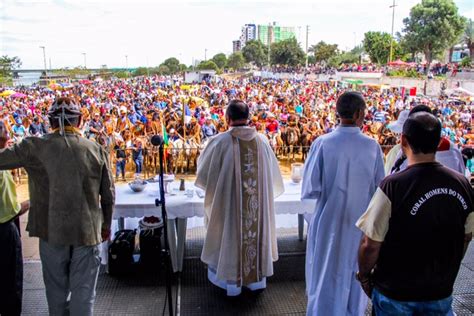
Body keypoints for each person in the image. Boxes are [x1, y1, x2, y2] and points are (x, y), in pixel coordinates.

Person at [0, 97, 115, 316]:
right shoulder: (96, 150)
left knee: (56, 297)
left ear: (50, 121)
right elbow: (108, 195)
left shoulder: (33, 147)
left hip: (51, 233)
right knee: (83, 299)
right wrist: (106, 225)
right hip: (87, 232)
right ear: (80, 120)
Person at [356, 112, 473, 315]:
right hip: (440, 291)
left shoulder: (392, 185)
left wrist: (364, 275)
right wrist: (447, 270)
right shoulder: (462, 184)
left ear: (403, 141)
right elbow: (466, 237)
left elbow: (370, 243)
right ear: (438, 142)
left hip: (395, 292)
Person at [302, 91, 385, 315]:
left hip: (328, 220)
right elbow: (380, 188)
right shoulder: (372, 146)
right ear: (359, 113)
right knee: (354, 268)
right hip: (360, 222)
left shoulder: (322, 143)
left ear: (337, 113)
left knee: (326, 268)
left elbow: (310, 188)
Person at [195, 99, 284, 296]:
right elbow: (273, 178)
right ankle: (255, 283)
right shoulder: (262, 141)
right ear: (248, 118)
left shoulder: (218, 142)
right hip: (256, 208)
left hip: (230, 208)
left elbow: (203, 176)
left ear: (227, 118)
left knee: (229, 235)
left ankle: (232, 286)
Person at [0, 121, 30, 316]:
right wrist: (32, 201)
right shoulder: (2, 169)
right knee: (11, 284)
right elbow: (12, 209)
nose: (8, 137)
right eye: (4, 134)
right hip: (3, 232)